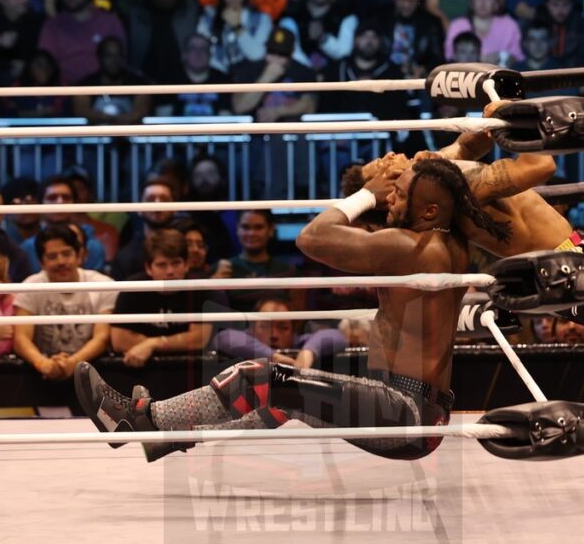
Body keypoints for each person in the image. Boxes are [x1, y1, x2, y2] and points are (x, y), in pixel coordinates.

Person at [345, 123, 584, 491]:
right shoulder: (443, 188)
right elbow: (541, 166)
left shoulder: (433, 179)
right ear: (388, 190)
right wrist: (516, 120)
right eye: (381, 165)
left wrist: (476, 133)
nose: (389, 156)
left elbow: (460, 151)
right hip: (564, 270)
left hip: (567, 265)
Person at [76, 158, 483, 463]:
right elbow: (445, 176)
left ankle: (141, 418)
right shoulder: (449, 242)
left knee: (264, 378)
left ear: (429, 211)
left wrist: (366, 195)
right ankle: (170, 434)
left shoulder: (410, 248)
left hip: (405, 412)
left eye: (400, 192)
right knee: (282, 399)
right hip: (416, 414)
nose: (390, 194)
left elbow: (311, 237)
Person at [13, 223, 113, 383]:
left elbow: (102, 337)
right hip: (39, 376)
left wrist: (73, 363)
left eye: (66, 254)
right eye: (52, 256)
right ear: (41, 262)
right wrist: (43, 363)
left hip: (93, 375)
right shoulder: (30, 286)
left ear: (79, 255)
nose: (60, 262)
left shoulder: (103, 284)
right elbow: (21, 338)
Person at [110, 229, 217, 368]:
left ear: (186, 265)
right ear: (149, 268)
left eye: (176, 263)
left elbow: (199, 339)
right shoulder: (133, 287)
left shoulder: (198, 288)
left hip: (187, 369)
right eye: (162, 265)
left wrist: (153, 344)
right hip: (139, 368)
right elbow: (119, 341)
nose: (170, 271)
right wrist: (172, 343)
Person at [38, 0, 126, 86]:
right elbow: (44, 63)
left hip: (104, 88)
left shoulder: (110, 21)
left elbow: (121, 59)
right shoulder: (52, 26)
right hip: (63, 91)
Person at [210, 297, 346, 368]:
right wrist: (272, 356)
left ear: (293, 330)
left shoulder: (298, 342)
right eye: (265, 326)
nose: (273, 335)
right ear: (252, 329)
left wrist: (308, 352)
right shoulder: (244, 338)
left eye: (283, 327)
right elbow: (222, 337)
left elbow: (339, 336)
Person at [21, 177, 107, 274]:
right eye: (52, 198)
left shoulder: (93, 247)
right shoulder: (28, 247)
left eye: (66, 197)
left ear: (75, 203)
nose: (60, 202)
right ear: (40, 203)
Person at [279, 0, 357, 71]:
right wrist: (311, 74)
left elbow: (344, 53)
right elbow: (293, 53)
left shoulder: (345, 16)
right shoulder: (292, 18)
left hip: (336, 78)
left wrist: (323, 39)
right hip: (302, 79)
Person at [196, 0, 272, 74]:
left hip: (253, 76)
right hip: (220, 79)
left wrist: (237, 26)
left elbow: (257, 54)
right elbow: (205, 59)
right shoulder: (207, 21)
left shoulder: (262, 19)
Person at [377, 0, 445, 80]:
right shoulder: (379, 18)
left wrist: (423, 70)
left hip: (418, 81)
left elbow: (438, 58)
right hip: (383, 79)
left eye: (411, 0)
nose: (406, 5)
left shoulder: (432, 23)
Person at [73, 36, 152, 125]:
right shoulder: (86, 85)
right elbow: (81, 111)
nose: (114, 60)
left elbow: (141, 111)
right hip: (96, 136)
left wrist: (121, 119)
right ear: (99, 57)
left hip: (130, 136)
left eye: (118, 55)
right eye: (109, 56)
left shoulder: (137, 83)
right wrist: (107, 118)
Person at [443, 0, 523, 64]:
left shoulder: (509, 25)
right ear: (472, 2)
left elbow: (518, 56)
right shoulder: (457, 26)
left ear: (496, 4)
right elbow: (449, 56)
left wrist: (503, 58)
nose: (483, 2)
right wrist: (478, 59)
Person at [537, 0, 584, 68]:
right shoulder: (536, 25)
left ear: (572, 4)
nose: (560, 10)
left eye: (565, 4)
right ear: (546, 4)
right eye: (555, 4)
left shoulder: (583, 26)